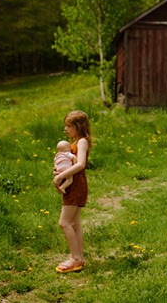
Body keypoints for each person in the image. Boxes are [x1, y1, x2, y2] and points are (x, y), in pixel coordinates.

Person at [53, 110, 91, 273]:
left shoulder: (82, 142)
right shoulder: (75, 142)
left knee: (64, 222)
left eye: (69, 126)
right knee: (74, 222)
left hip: (76, 186)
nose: (66, 129)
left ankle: (75, 258)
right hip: (75, 184)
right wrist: (61, 172)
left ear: (78, 126)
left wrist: (62, 175)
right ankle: (79, 258)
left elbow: (81, 164)